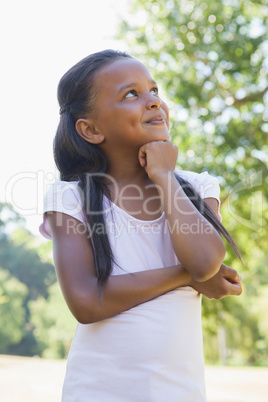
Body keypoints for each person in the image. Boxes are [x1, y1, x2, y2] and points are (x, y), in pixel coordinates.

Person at [39, 49, 242, 402]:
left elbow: (206, 261)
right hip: (96, 393)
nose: (153, 102)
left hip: (181, 393)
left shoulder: (197, 186)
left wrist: (164, 175)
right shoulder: (69, 198)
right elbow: (87, 302)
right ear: (90, 129)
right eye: (131, 94)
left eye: (154, 90)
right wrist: (185, 276)